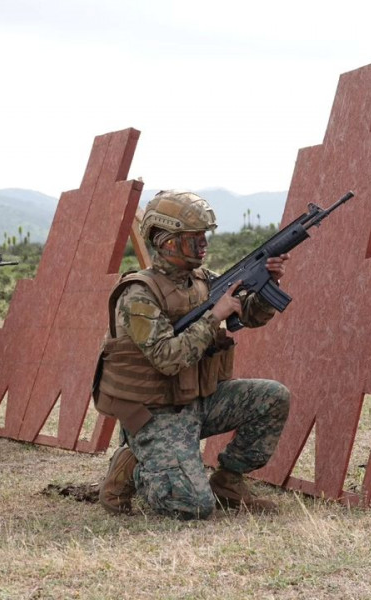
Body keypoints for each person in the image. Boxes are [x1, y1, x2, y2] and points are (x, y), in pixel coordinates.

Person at [93, 190, 291, 520]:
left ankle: (228, 481)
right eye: (192, 237)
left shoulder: (203, 281)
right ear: (166, 240)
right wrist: (214, 316)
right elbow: (167, 358)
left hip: (198, 400)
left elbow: (252, 317)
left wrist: (268, 284)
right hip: (155, 412)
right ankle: (133, 466)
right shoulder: (138, 294)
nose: (202, 243)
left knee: (273, 397)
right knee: (192, 506)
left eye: (203, 235)